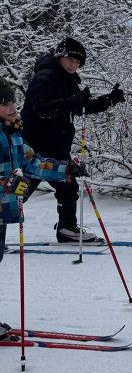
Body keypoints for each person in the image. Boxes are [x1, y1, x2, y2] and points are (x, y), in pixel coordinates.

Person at [0, 77, 86, 336]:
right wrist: (6, 183)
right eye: (5, 103)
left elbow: (32, 162)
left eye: (13, 100)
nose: (12, 106)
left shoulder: (13, 132)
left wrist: (65, 169)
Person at [20, 38, 124, 242]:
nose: (72, 65)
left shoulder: (68, 81)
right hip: (35, 147)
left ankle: (66, 229)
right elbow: (43, 109)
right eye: (69, 59)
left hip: (56, 146)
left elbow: (79, 108)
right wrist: (73, 101)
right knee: (20, 190)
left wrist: (108, 100)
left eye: (77, 63)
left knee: (68, 186)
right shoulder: (45, 77)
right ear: (60, 56)